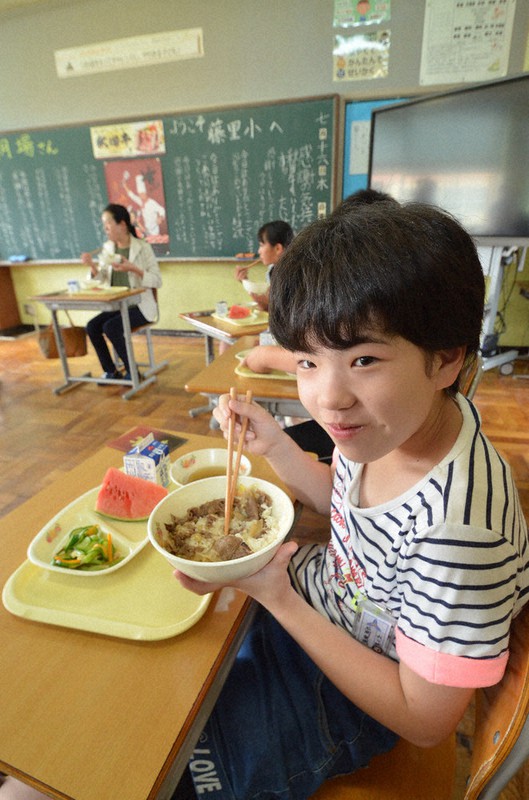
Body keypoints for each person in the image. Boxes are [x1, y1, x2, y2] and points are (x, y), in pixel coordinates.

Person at [172, 201, 529, 800]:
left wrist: (279, 600)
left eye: (364, 360)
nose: (329, 398)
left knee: (173, 767)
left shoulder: (458, 533)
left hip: (349, 695)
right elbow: (345, 509)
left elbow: (424, 719)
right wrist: (278, 446)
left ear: (445, 358)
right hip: (311, 610)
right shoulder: (405, 420)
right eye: (308, 362)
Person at [80, 203, 162, 381]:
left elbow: (157, 280)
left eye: (108, 223)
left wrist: (134, 269)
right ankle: (111, 370)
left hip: (139, 307)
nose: (105, 229)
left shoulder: (142, 247)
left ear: (122, 224)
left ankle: (133, 372)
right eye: (104, 225)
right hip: (117, 305)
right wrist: (92, 266)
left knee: (111, 327)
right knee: (92, 327)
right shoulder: (108, 249)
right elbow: (101, 279)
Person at [234, 219, 294, 311]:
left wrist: (268, 301)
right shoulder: (272, 270)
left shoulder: (296, 272)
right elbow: (266, 308)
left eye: (262, 245)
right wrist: (245, 282)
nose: (259, 251)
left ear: (278, 248)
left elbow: (292, 312)